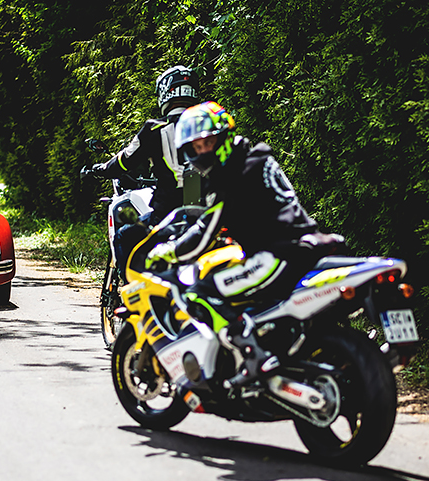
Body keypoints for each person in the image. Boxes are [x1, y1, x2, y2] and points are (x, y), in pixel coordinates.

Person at [144, 101, 339, 388]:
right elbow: (256, 210)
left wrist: (169, 251)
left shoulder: (228, 175)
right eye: (196, 147)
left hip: (275, 254)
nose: (203, 151)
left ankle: (253, 356)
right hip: (307, 242)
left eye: (208, 143)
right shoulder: (258, 158)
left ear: (223, 137)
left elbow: (204, 231)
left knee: (200, 293)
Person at [86, 65, 202, 268]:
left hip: (166, 213)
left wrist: (100, 170)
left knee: (123, 237)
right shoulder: (209, 124)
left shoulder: (154, 128)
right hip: (209, 213)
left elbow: (123, 161)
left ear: (165, 92)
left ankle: (133, 286)